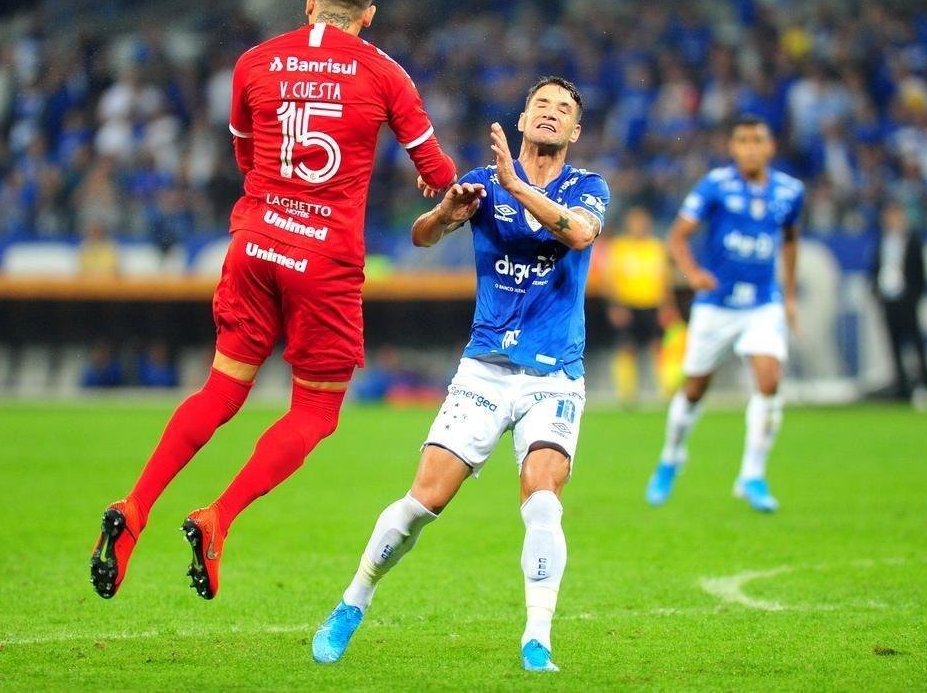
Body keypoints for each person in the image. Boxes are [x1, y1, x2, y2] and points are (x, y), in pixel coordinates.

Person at [89, 0, 457, 601]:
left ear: (309, 5)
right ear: (367, 17)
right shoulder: (384, 73)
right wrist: (433, 176)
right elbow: (438, 168)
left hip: (255, 245)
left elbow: (245, 154)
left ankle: (137, 506)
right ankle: (218, 518)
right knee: (315, 411)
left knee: (222, 389)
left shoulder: (254, 62)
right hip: (325, 262)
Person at [310, 78, 609, 673]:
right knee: (423, 502)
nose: (551, 115)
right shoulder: (480, 180)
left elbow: (578, 233)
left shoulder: (587, 188)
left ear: (575, 132)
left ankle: (537, 639)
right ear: (523, 119)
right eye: (542, 106)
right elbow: (422, 238)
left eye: (564, 111)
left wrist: (517, 186)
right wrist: (444, 213)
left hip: (555, 376)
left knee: (544, 501)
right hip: (486, 368)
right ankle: (352, 603)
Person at [644, 116, 803, 513]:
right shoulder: (715, 185)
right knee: (695, 388)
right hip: (717, 307)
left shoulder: (790, 191)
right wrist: (694, 273)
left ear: (770, 147)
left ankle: (752, 475)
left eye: (758, 140)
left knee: (769, 381)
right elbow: (677, 236)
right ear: (733, 148)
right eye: (743, 140)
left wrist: (790, 295)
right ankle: (671, 458)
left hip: (762, 304)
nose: (750, 147)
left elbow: (790, 240)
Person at [603, 206, 673, 405]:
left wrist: (666, 307)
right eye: (635, 222)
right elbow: (611, 280)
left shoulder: (656, 247)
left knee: (657, 347)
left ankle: (665, 391)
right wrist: (615, 306)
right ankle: (627, 394)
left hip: (652, 305)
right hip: (627, 305)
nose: (639, 226)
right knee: (626, 347)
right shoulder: (619, 247)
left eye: (642, 222)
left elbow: (664, 280)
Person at [870, 201, 927, 401]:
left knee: (916, 343)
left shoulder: (912, 240)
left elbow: (920, 271)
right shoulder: (882, 240)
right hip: (888, 299)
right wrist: (876, 290)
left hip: (907, 299)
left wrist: (915, 296)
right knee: (894, 344)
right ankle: (902, 386)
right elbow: (876, 268)